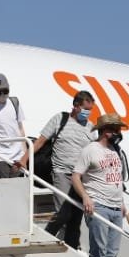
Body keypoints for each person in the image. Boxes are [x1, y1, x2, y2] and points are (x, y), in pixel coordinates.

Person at [36, 91, 96, 248]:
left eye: (90, 110)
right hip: (61, 172)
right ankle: (46, 238)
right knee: (63, 213)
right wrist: (24, 159)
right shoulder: (60, 119)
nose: (87, 113)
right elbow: (40, 141)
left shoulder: (90, 128)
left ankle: (72, 248)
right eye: (85, 109)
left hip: (80, 177)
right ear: (76, 106)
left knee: (76, 218)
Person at [72, 113, 127, 257]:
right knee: (99, 251)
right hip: (99, 205)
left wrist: (121, 202)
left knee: (112, 252)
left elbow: (116, 178)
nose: (119, 133)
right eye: (115, 129)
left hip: (116, 207)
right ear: (105, 131)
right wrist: (85, 197)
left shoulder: (115, 150)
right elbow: (76, 176)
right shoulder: (90, 150)